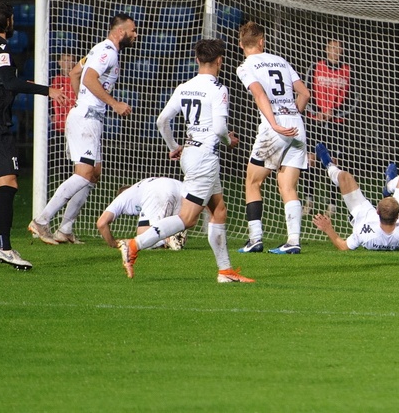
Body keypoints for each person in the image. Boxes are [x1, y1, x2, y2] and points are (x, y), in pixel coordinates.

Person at [117, 38, 252, 283]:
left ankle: (225, 271)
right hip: (204, 158)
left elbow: (161, 121)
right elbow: (221, 128)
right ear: (220, 61)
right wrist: (228, 141)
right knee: (188, 218)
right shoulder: (219, 89)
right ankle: (134, 245)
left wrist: (174, 147)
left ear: (197, 60)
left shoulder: (184, 87)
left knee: (219, 210)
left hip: (190, 152)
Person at [30, 13, 137, 245]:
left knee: (93, 174)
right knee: (84, 173)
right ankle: (41, 221)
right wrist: (114, 103)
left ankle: (65, 229)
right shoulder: (107, 52)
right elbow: (88, 78)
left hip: (90, 116)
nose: (135, 35)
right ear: (120, 32)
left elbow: (74, 73)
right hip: (87, 118)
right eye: (132, 31)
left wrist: (81, 100)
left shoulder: (97, 50)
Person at [0, 1, 67, 270]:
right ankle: (4, 247)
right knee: (8, 183)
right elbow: (9, 83)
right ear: (6, 22)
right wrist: (48, 91)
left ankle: (3, 246)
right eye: (11, 18)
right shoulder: (0, 47)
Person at [235, 21, 310, 255]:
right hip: (297, 126)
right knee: (287, 185)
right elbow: (305, 93)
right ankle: (293, 241)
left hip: (274, 128)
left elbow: (259, 95)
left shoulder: (246, 66)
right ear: (261, 41)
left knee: (253, 182)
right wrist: (292, 115)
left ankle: (255, 239)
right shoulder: (281, 61)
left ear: (241, 45)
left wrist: (276, 124)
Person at [312, 142, 399, 252]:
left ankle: (329, 165)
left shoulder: (364, 232)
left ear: (377, 211)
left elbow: (343, 246)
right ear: (398, 215)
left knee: (344, 177)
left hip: (364, 217)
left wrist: (328, 229)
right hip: (395, 221)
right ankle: (389, 185)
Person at [304, 38, 358, 213]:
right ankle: (308, 200)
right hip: (315, 121)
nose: (334, 51)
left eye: (338, 48)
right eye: (331, 48)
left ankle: (332, 203)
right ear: (326, 50)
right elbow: (305, 92)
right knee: (310, 159)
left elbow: (354, 99)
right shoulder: (315, 68)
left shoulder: (348, 71)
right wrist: (318, 112)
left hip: (337, 123)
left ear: (341, 51)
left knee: (334, 162)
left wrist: (334, 112)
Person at [96, 177, 187, 250]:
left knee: (142, 237)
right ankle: (175, 237)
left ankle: (168, 240)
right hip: (179, 186)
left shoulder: (121, 199)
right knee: (175, 222)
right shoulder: (139, 189)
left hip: (158, 190)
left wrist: (114, 244)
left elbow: (101, 223)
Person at [50, 52, 77, 134]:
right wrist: (51, 115)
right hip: (57, 124)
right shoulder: (53, 79)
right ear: (59, 62)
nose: (68, 64)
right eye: (65, 60)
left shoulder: (78, 80)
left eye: (71, 61)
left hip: (75, 123)